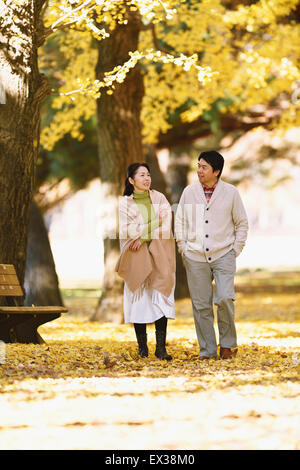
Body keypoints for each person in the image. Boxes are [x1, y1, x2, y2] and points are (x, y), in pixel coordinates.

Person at [175, 150, 248, 360]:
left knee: (225, 298)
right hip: (195, 256)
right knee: (201, 305)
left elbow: (241, 223)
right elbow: (179, 220)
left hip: (224, 254)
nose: (199, 170)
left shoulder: (231, 193)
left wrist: (235, 249)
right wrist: (183, 247)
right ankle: (207, 350)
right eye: (198, 166)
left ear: (216, 171)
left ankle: (227, 344)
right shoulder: (189, 192)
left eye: (204, 167)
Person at [115, 162, 175, 360]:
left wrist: (142, 236)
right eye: (142, 175)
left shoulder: (159, 198)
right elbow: (128, 231)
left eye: (148, 174)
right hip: (137, 258)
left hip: (160, 255)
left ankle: (161, 349)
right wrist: (154, 223)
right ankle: (142, 348)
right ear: (131, 180)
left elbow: (166, 226)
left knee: (160, 300)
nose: (147, 178)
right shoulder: (125, 204)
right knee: (139, 302)